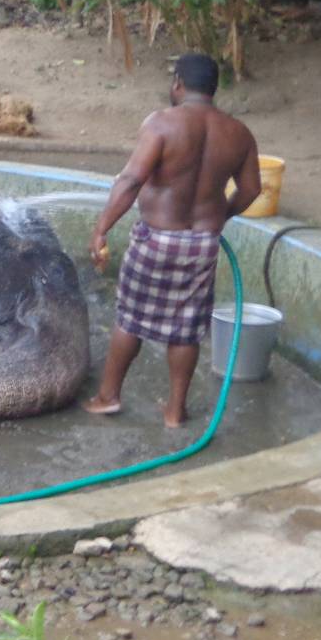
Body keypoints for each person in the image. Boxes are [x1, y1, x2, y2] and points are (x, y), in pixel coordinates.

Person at [83, 53, 261, 428]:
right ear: (213, 88)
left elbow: (131, 180)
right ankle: (175, 412)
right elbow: (251, 189)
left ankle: (108, 396)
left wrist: (102, 228)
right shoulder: (239, 133)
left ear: (178, 82)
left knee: (130, 318)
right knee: (186, 327)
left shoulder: (161, 123)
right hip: (202, 242)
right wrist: (221, 214)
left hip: (157, 237)